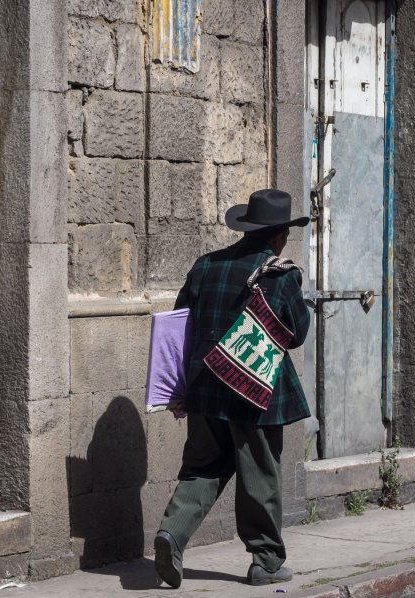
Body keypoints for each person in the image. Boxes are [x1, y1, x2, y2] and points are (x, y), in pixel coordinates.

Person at [153, 189, 312, 588]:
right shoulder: (281, 274)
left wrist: (179, 384)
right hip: (254, 391)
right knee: (259, 471)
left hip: (205, 386)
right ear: (278, 236)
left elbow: (180, 322)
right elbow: (296, 336)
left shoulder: (205, 266)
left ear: (246, 229)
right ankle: (266, 561)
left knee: (204, 466)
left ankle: (171, 533)